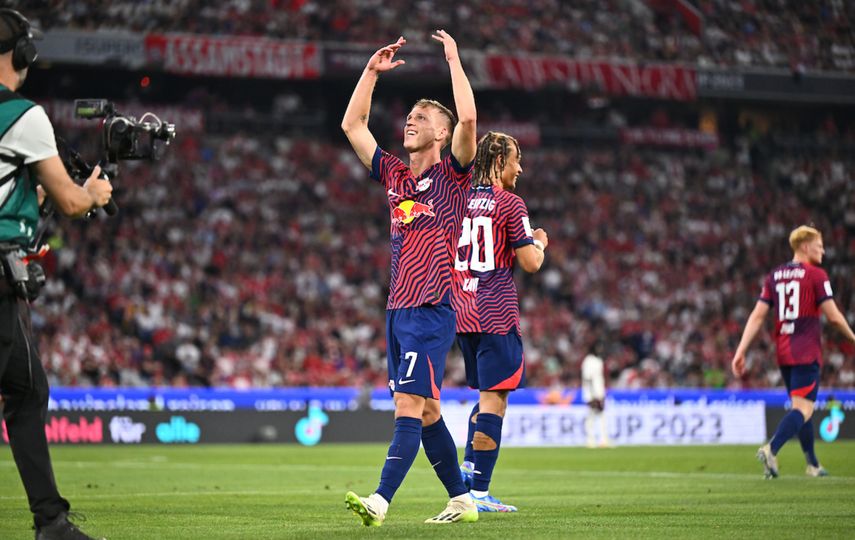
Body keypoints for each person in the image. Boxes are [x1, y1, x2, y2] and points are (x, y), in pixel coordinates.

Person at [340, 30, 478, 526]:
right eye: (410, 116)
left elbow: (467, 117)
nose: (411, 122)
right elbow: (352, 123)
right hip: (397, 310)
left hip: (431, 307)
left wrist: (453, 59)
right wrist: (371, 73)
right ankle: (462, 499)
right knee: (426, 412)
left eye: (422, 118)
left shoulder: (453, 176)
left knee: (406, 402)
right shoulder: (396, 175)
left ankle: (379, 502)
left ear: (441, 134)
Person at [0, 8, 113, 540]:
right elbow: (71, 202)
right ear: (22, 54)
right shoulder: (24, 114)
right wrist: (94, 192)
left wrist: (30, 195)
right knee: (25, 393)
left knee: (26, 388)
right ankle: (51, 523)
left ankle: (52, 521)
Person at [453, 131, 548, 512]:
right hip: (495, 311)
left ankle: (469, 469)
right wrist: (538, 241)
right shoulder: (510, 203)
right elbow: (531, 263)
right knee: (496, 400)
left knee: (486, 396)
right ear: (498, 162)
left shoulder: (458, 200)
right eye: (515, 160)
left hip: (462, 311)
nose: (520, 167)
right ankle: (478, 492)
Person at [732, 225, 855, 478]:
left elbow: (757, 316)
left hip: (785, 352)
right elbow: (833, 317)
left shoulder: (775, 276)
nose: (823, 250)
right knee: (804, 409)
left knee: (802, 408)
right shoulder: (816, 275)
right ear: (805, 246)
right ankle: (771, 449)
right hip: (806, 351)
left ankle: (812, 464)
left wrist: (740, 350)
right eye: (819, 245)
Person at [581, 340, 610, 448]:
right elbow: (588, 378)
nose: (601, 350)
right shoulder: (589, 361)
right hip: (593, 394)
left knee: (597, 416)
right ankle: (592, 440)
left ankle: (601, 440)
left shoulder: (598, 361)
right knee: (592, 416)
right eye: (599, 347)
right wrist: (593, 395)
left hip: (598, 393)